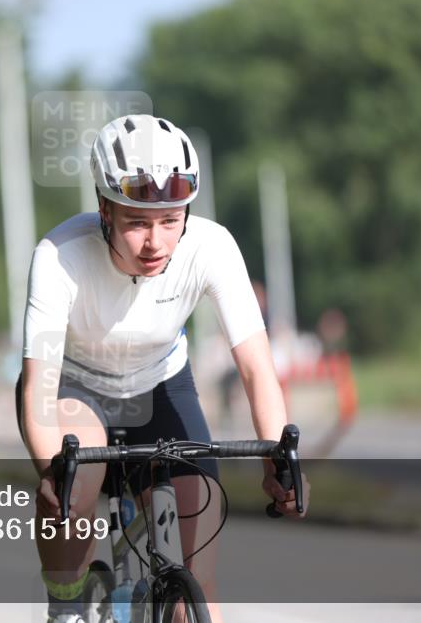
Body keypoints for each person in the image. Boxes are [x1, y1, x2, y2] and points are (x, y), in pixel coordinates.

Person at [16, 115, 307, 623]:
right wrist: (54, 476)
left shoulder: (212, 246)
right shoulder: (59, 256)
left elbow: (258, 369)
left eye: (171, 220)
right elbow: (38, 390)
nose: (156, 242)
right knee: (73, 491)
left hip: (161, 385)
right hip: (75, 391)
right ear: (104, 210)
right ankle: (65, 606)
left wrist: (277, 458)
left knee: (199, 572)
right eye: (136, 223)